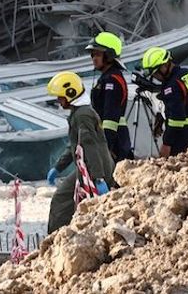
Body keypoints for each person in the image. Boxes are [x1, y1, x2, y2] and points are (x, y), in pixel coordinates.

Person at [44, 72, 113, 234]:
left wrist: (98, 177)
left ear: (70, 93)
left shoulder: (82, 115)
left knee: (61, 201)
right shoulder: (79, 113)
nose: (59, 101)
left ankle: (56, 239)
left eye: (60, 97)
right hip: (90, 168)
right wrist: (58, 167)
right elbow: (75, 145)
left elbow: (90, 146)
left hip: (95, 169)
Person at [141, 46, 188, 157]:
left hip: (183, 137)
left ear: (165, 65)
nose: (156, 77)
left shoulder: (171, 86)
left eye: (156, 73)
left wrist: (167, 144)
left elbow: (177, 119)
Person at [87, 32, 134, 162]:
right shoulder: (107, 78)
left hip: (114, 142)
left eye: (97, 54)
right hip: (113, 139)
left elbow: (110, 117)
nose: (94, 59)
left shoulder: (112, 81)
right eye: (92, 55)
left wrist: (106, 148)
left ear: (109, 56)